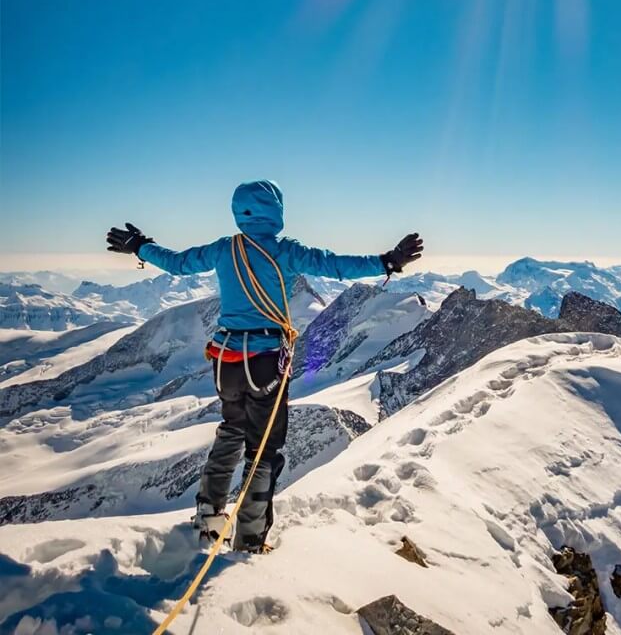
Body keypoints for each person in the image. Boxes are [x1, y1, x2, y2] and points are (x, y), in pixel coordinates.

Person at [106, 179, 423, 553]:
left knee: (230, 430)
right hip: (266, 362)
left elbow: (177, 263)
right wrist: (387, 262)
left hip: (226, 360)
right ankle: (251, 539)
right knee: (262, 452)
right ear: (277, 211)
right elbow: (336, 265)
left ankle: (208, 513)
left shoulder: (225, 249)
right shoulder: (286, 252)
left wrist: (142, 245)